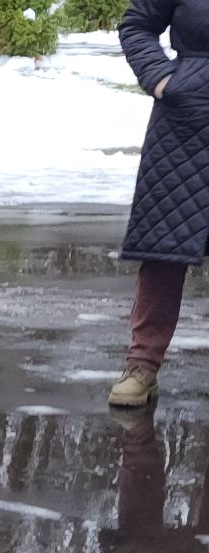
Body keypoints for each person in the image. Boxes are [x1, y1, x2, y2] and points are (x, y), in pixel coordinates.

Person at [112, 0, 209, 409]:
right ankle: (142, 366)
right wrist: (162, 78)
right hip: (185, 122)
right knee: (163, 249)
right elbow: (136, 25)